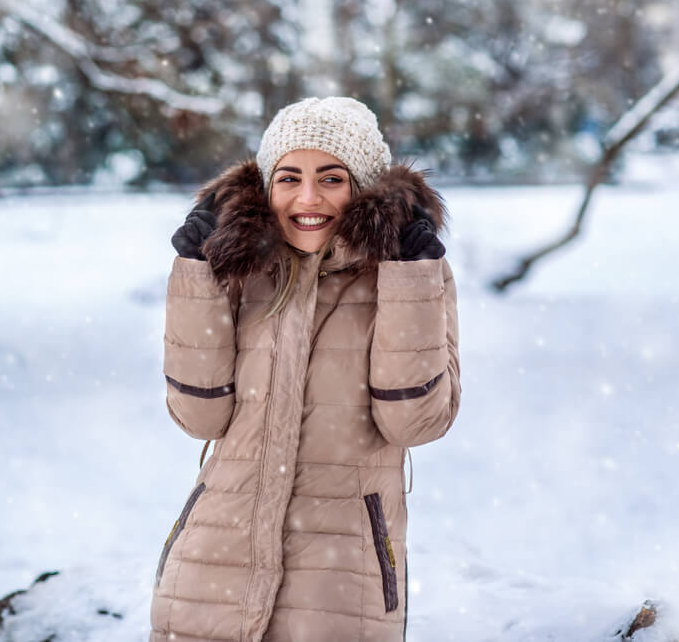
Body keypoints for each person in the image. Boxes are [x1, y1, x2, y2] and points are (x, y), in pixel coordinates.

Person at [149, 96, 461, 642]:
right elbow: (199, 416)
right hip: (212, 566)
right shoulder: (239, 272)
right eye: (288, 177)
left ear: (363, 188)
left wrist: (410, 280)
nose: (308, 198)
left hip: (341, 576)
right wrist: (197, 275)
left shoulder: (410, 274)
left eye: (332, 178)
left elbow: (413, 423)